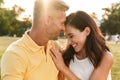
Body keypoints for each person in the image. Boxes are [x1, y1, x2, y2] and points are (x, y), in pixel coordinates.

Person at [1, 0, 69, 80]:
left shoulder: (55, 47)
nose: (63, 28)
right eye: (62, 23)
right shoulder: (15, 54)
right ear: (47, 20)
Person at [50, 11, 113, 80]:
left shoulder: (105, 57)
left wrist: (63, 68)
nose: (69, 42)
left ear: (87, 31)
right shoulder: (68, 55)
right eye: (67, 37)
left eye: (71, 36)